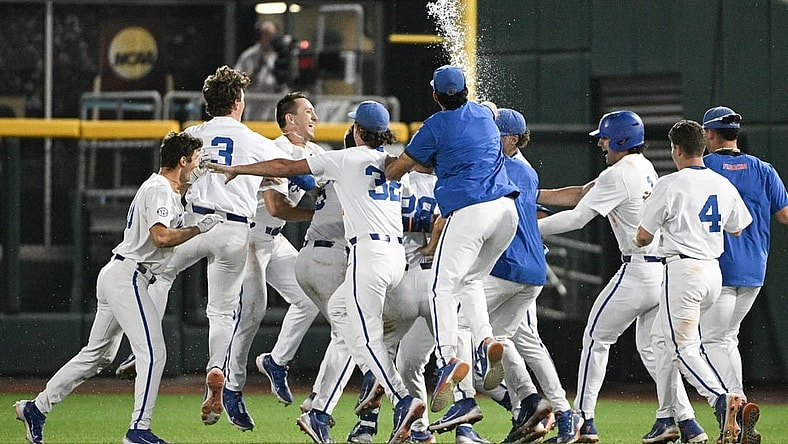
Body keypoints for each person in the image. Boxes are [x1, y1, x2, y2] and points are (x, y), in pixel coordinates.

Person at [207, 100, 425, 444]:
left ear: (357, 130)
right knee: (346, 322)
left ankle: (401, 400)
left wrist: (241, 170)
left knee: (361, 336)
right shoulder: (393, 163)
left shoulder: (345, 158)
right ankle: (326, 410)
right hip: (398, 258)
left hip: (366, 257)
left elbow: (285, 166)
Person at [14, 131, 225, 444]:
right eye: (194, 160)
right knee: (153, 354)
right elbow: (161, 238)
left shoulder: (167, 190)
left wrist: (196, 204)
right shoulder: (158, 189)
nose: (198, 166)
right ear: (182, 161)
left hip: (122, 274)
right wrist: (197, 228)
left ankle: (37, 408)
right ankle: (138, 429)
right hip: (129, 276)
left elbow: (168, 225)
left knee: (97, 356)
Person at [537, 110, 703, 443]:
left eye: (605, 136)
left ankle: (584, 421)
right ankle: (685, 422)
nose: (600, 141)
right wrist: (532, 193)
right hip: (664, 271)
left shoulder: (618, 174)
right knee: (653, 350)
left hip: (639, 269)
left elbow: (577, 219)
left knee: (596, 338)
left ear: (621, 140)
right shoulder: (643, 167)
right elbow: (583, 193)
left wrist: (528, 230)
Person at [147, 65, 285, 426]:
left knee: (160, 274)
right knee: (222, 312)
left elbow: (172, 178)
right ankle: (216, 368)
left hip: (195, 222)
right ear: (238, 102)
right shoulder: (256, 140)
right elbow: (285, 171)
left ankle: (141, 342)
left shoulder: (192, 134)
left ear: (209, 104)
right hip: (235, 230)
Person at [384, 65, 518, 414]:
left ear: (434, 95)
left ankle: (448, 360)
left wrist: (379, 166)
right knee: (470, 280)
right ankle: (486, 338)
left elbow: (397, 172)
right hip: (506, 211)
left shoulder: (435, 126)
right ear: (466, 92)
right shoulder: (486, 115)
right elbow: (490, 107)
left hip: (471, 212)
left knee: (441, 288)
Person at [634, 119, 752, 444]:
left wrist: (652, 212)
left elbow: (642, 238)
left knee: (683, 347)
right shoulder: (722, 183)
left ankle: (721, 398)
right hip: (713, 273)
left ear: (677, 149)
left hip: (684, 272)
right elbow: (739, 228)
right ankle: (666, 419)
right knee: (662, 342)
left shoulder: (669, 184)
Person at [222, 92, 322, 431]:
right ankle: (232, 389)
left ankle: (277, 362)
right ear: (289, 119)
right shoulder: (275, 149)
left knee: (308, 297)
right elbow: (276, 206)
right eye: (307, 111)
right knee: (251, 312)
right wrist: (317, 211)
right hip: (249, 237)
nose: (315, 117)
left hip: (272, 239)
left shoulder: (316, 152)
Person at [699, 106, 787, 444]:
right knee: (725, 338)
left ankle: (729, 403)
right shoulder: (763, 169)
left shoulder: (703, 167)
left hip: (716, 268)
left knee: (700, 344)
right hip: (754, 270)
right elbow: (785, 216)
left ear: (709, 134)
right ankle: (734, 409)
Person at [234, 20, 291, 120]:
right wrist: (255, 70)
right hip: (255, 102)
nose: (268, 39)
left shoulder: (282, 55)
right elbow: (236, 81)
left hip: (275, 101)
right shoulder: (249, 56)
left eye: (271, 35)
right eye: (265, 34)